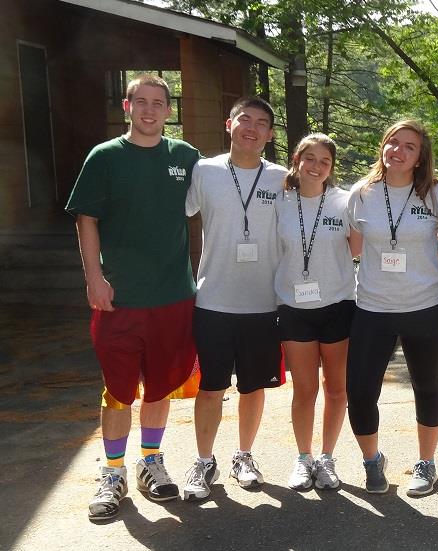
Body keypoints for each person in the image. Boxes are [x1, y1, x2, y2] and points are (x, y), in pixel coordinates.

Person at [66, 74, 201, 520]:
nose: (149, 110)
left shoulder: (185, 157)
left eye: (158, 103)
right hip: (119, 297)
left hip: (173, 296)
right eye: (140, 101)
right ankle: (112, 473)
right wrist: (94, 277)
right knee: (119, 390)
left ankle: (151, 462)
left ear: (169, 110)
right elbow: (86, 219)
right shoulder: (105, 157)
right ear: (127, 107)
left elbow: (229, 192)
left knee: (160, 386)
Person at [180, 97, 286, 501]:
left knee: (253, 387)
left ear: (270, 134)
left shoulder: (281, 179)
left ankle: (244, 456)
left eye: (261, 123)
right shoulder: (204, 170)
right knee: (210, 387)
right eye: (245, 119)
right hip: (213, 301)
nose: (251, 128)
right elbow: (174, 216)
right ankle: (204, 461)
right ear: (229, 124)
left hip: (264, 303)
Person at [345, 120, 438, 496]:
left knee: (427, 387)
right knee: (360, 392)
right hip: (372, 308)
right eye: (393, 142)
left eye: (410, 146)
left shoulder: (436, 194)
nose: (399, 151)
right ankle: (372, 461)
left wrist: (430, 268)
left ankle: (426, 463)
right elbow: (353, 248)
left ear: (421, 157)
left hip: (424, 307)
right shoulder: (362, 192)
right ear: (383, 146)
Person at [275, 133, 356, 491]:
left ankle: (326, 458)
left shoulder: (344, 201)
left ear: (331, 167)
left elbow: (359, 248)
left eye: (325, 161)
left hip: (338, 304)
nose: (316, 166)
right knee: (305, 390)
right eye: (310, 158)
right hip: (294, 307)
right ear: (297, 159)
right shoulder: (280, 202)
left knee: (336, 388)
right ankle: (303, 457)